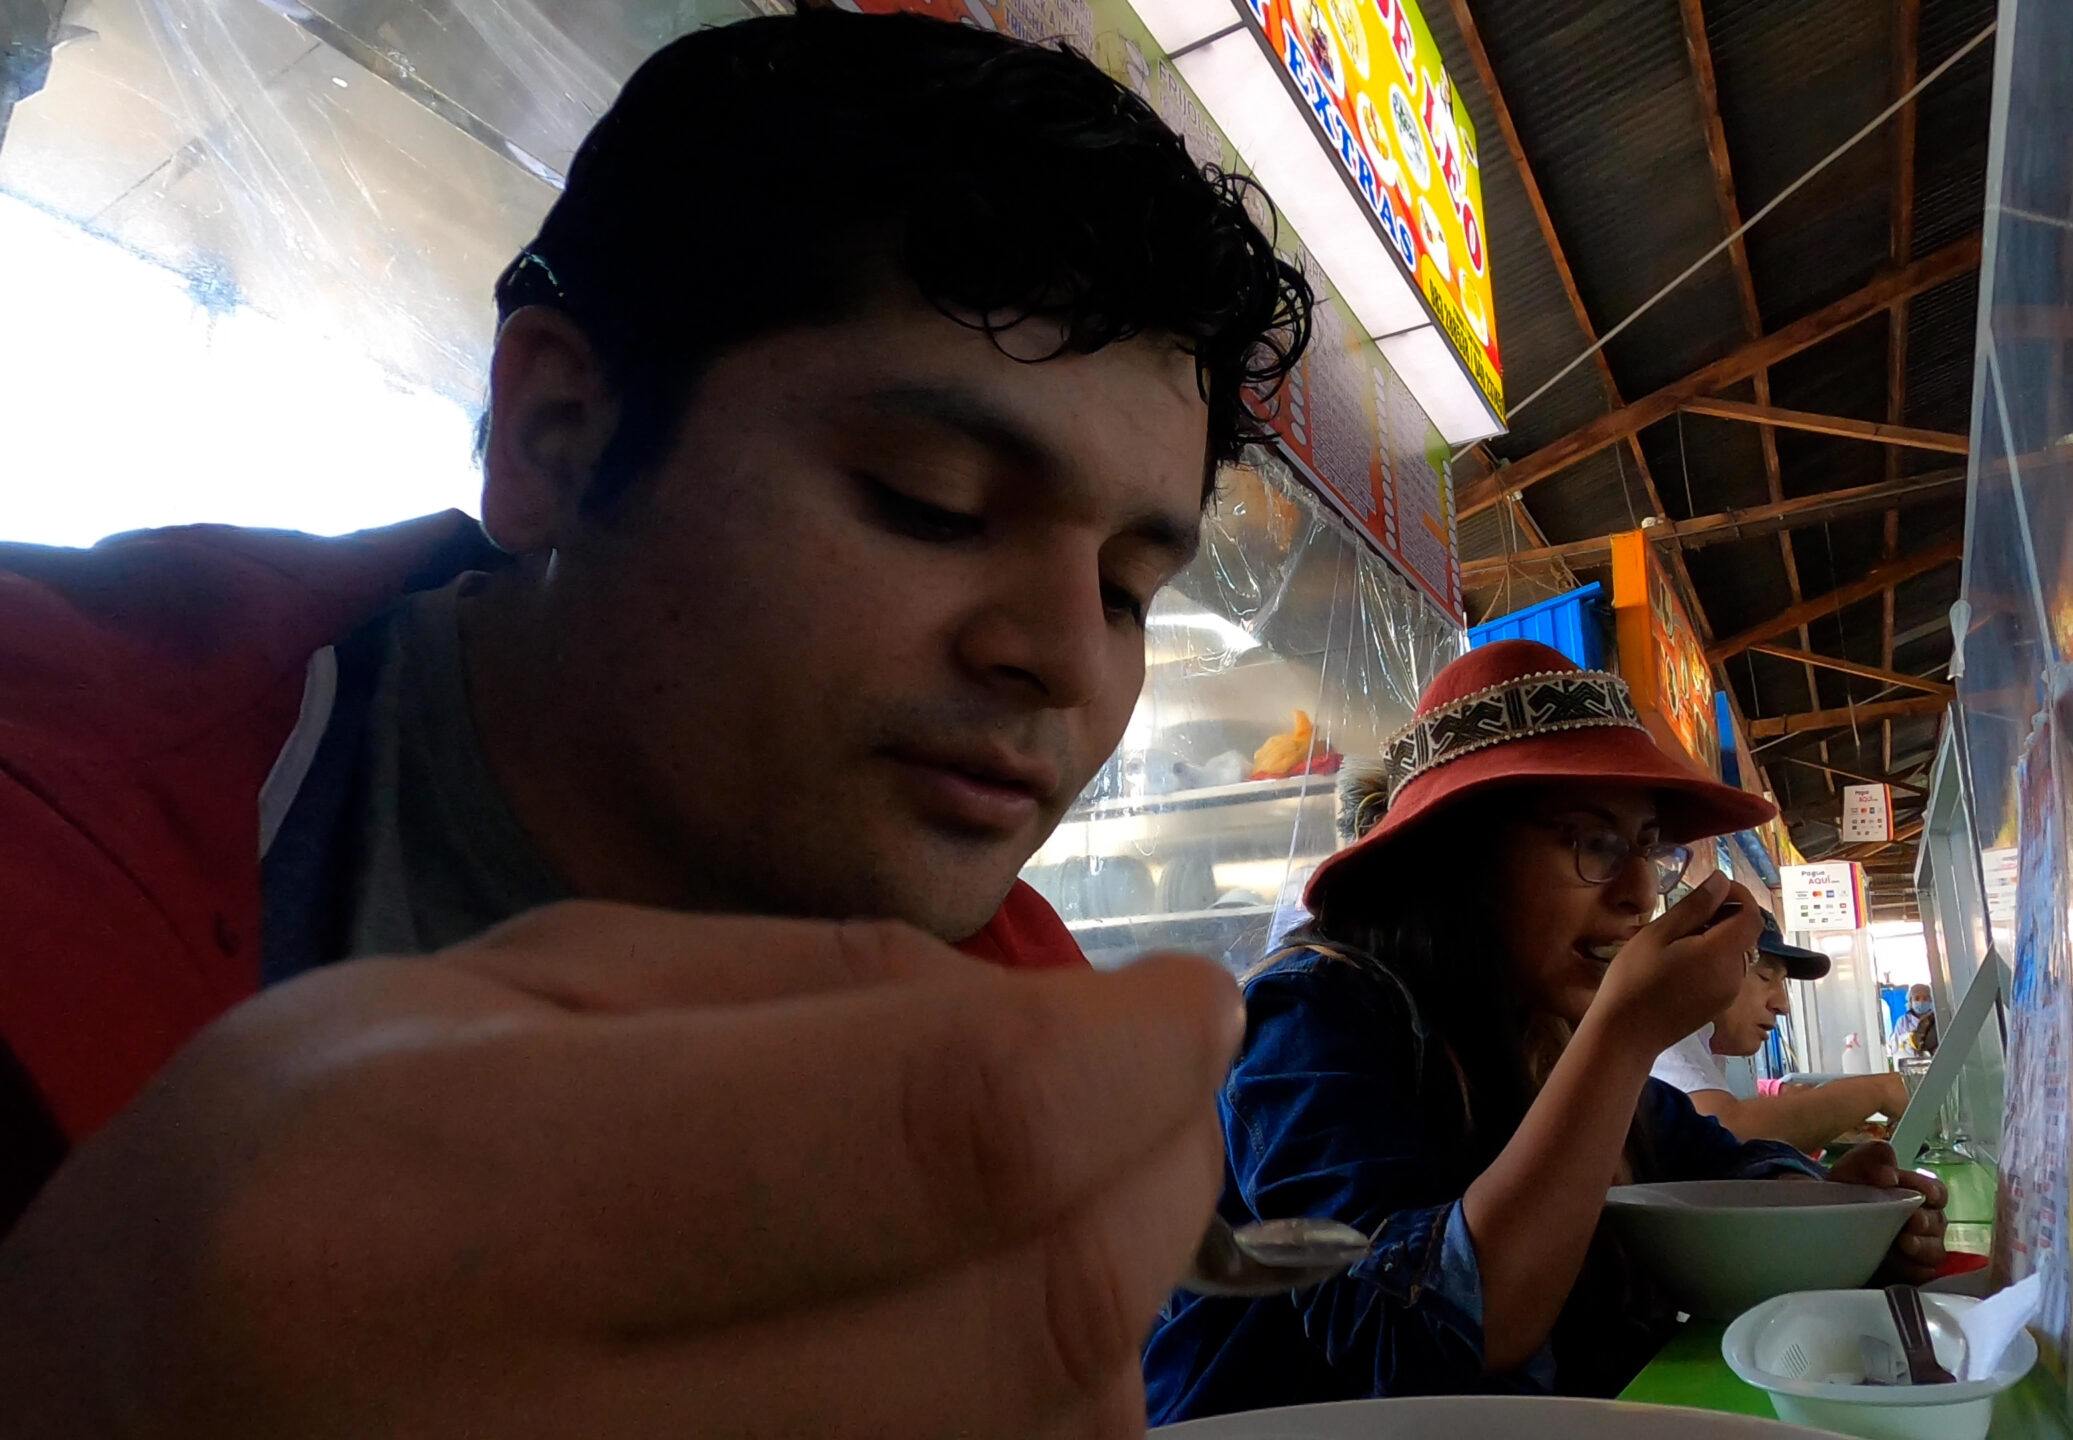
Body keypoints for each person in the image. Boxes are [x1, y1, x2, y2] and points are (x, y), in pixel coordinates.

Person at [0, 13, 1312, 1436]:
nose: (1065, 659)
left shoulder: (1022, 1040)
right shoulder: (56, 791)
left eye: (1128, 590)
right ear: (557, 433)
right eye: (930, 499)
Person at [1143, 641, 1949, 1423]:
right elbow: (1415, 1335)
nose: (1639, 893)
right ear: (1457, 860)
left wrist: (1839, 1211)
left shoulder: (1546, 1029)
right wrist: (1625, 1033)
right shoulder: (1308, 1019)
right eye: (1594, 843)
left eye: (1649, 849)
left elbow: (1715, 1161)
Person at [1651, 922, 1909, 1153]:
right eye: (1765, 977)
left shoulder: (1704, 1046)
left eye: (1783, 983)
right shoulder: (1663, 1033)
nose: (1782, 1005)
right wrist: (1878, 1091)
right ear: (1702, 969)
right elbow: (1725, 1133)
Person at [1892, 982, 1939, 1059]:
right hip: (1910, 1062)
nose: (1921, 1002)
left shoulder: (1936, 1019)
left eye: (1925, 998)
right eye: (1917, 998)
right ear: (1910, 1000)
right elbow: (1896, 1046)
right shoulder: (1902, 1022)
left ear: (1930, 1000)